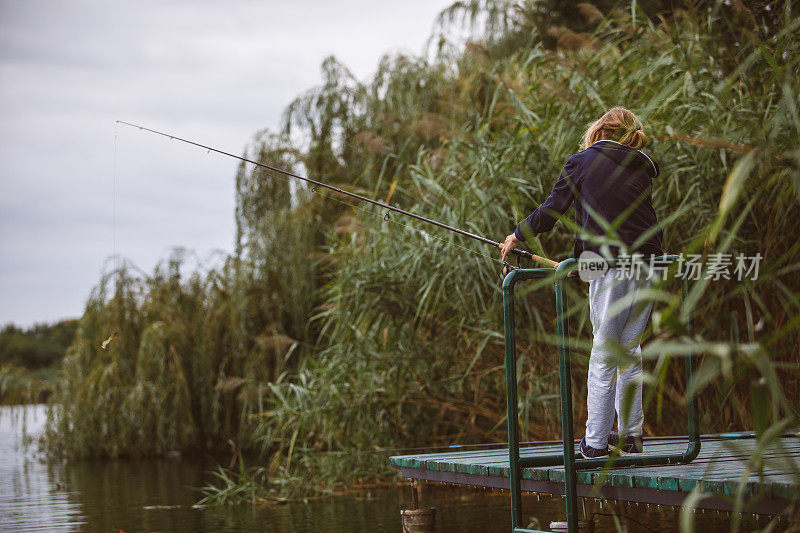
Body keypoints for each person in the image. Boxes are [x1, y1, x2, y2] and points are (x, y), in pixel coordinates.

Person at [500, 107, 662, 459]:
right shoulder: (640, 165)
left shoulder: (583, 162)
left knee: (604, 354)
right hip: (650, 264)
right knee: (629, 350)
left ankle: (595, 443)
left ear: (599, 130)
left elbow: (553, 208)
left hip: (613, 267)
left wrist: (517, 235)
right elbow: (620, 219)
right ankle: (631, 436)